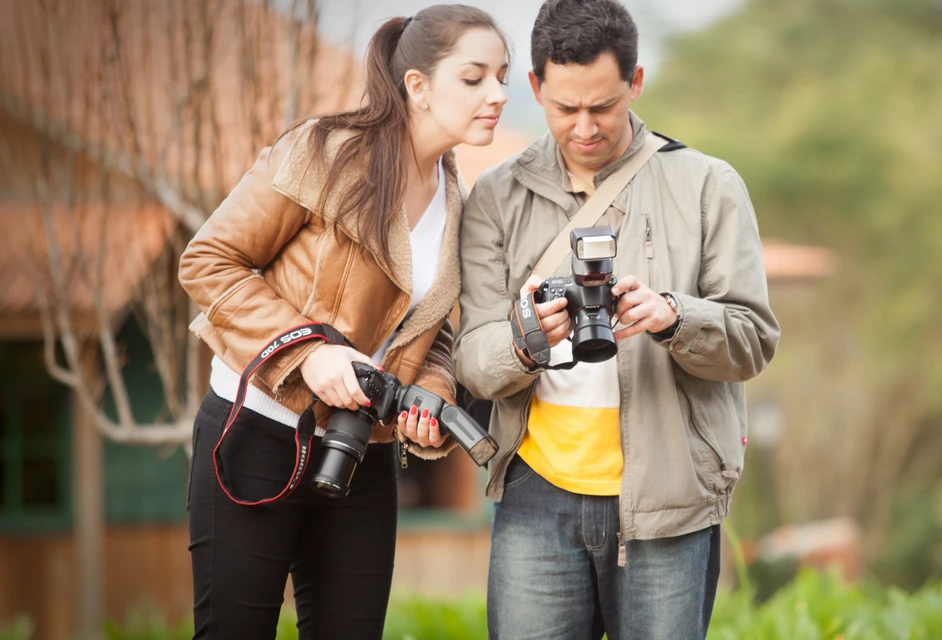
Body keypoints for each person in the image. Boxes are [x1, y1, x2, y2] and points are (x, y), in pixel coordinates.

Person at [177, 6, 509, 638]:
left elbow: (432, 329)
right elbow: (209, 260)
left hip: (361, 452)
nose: (496, 94)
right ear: (417, 86)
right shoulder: (323, 152)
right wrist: (308, 351)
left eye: (502, 77)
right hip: (256, 434)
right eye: (474, 78)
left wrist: (431, 394)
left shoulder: (460, 200)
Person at [454, 0, 781, 637]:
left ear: (636, 82)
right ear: (535, 88)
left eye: (602, 106)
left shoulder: (709, 186)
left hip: (671, 496)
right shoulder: (496, 196)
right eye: (564, 108)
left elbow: (753, 340)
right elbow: (470, 358)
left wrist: (673, 317)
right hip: (535, 494)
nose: (584, 127)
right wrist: (525, 342)